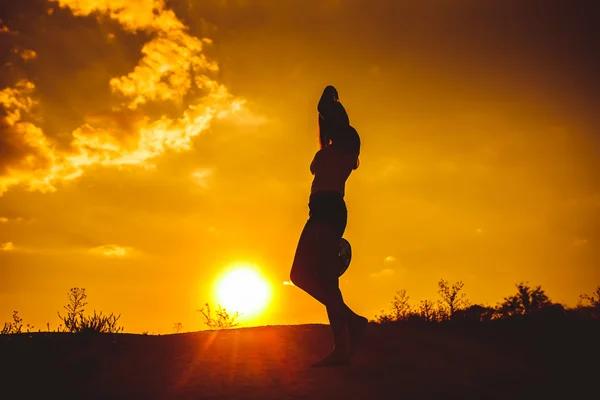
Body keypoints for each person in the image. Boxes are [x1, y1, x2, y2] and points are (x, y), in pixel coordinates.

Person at [290, 85, 368, 367]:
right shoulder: (340, 146)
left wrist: (329, 107)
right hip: (326, 212)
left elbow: (318, 164)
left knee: (299, 275)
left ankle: (353, 322)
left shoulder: (347, 141)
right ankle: (341, 350)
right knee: (328, 283)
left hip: (327, 211)